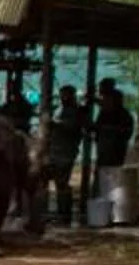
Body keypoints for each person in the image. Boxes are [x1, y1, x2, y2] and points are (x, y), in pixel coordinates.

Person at [42, 85, 87, 225]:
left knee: (62, 184)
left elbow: (73, 127)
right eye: (62, 95)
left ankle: (64, 215)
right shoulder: (60, 110)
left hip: (66, 152)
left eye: (66, 95)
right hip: (54, 151)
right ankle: (50, 213)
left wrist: (55, 124)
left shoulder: (77, 112)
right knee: (47, 181)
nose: (63, 98)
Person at [91, 80, 134, 171]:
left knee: (110, 174)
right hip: (103, 151)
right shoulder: (105, 113)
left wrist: (105, 129)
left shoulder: (122, 114)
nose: (104, 101)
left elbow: (125, 131)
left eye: (107, 99)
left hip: (114, 151)